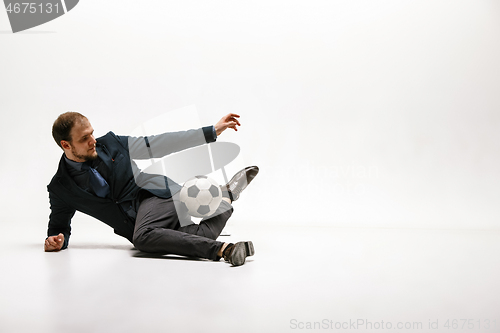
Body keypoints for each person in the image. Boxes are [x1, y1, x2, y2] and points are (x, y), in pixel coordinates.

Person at [44, 112, 259, 266]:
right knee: (199, 236)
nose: (93, 141)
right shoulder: (61, 188)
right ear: (66, 145)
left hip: (158, 196)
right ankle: (227, 197)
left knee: (144, 237)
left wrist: (211, 131)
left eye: (92, 133)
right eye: (84, 138)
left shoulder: (111, 143)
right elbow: (59, 226)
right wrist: (55, 240)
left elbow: (159, 143)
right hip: (139, 225)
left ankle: (225, 250)